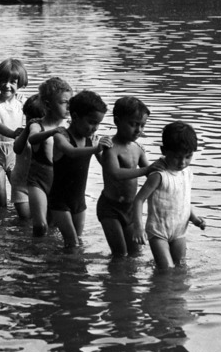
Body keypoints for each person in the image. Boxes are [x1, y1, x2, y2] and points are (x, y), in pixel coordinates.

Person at [132, 121, 206, 270]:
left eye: (188, 157)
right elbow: (139, 200)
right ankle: (158, 290)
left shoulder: (187, 173)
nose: (182, 162)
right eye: (177, 157)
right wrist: (138, 228)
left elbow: (184, 200)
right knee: (167, 269)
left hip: (179, 231)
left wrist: (195, 218)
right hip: (159, 232)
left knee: (180, 267)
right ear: (164, 151)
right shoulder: (159, 175)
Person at [47, 90, 109, 248]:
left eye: (98, 123)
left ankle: (69, 270)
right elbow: (71, 152)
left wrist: (113, 152)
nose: (95, 128)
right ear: (74, 117)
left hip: (79, 201)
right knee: (72, 242)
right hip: (59, 201)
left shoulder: (91, 140)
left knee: (77, 242)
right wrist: (96, 149)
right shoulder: (61, 137)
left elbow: (106, 166)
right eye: (91, 122)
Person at [97, 96, 157, 257]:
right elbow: (115, 174)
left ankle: (129, 281)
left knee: (135, 254)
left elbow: (152, 172)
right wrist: (147, 170)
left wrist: (167, 169)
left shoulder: (137, 148)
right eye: (133, 124)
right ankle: (115, 280)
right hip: (110, 208)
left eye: (142, 125)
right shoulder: (112, 148)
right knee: (119, 253)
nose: (138, 130)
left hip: (130, 209)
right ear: (117, 121)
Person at [25, 77, 73, 236]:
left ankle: (51, 256)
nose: (68, 106)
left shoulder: (70, 126)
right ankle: (34, 254)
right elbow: (32, 138)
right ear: (47, 104)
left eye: (70, 102)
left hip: (59, 183)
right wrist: (52, 132)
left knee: (54, 225)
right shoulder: (37, 124)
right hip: (38, 181)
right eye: (63, 102)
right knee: (40, 225)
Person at [0, 58, 28, 212]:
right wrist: (14, 133)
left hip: (16, 153)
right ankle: (0, 229)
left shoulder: (23, 103)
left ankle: (22, 228)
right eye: (3, 80)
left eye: (13, 81)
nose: (7, 85)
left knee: (21, 198)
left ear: (20, 83)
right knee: (0, 200)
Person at [11, 95, 46, 220]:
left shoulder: (49, 136)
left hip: (42, 185)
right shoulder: (22, 134)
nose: (31, 122)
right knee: (25, 220)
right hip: (21, 185)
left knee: (42, 221)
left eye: (37, 120)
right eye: (28, 118)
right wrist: (26, 130)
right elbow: (17, 149)